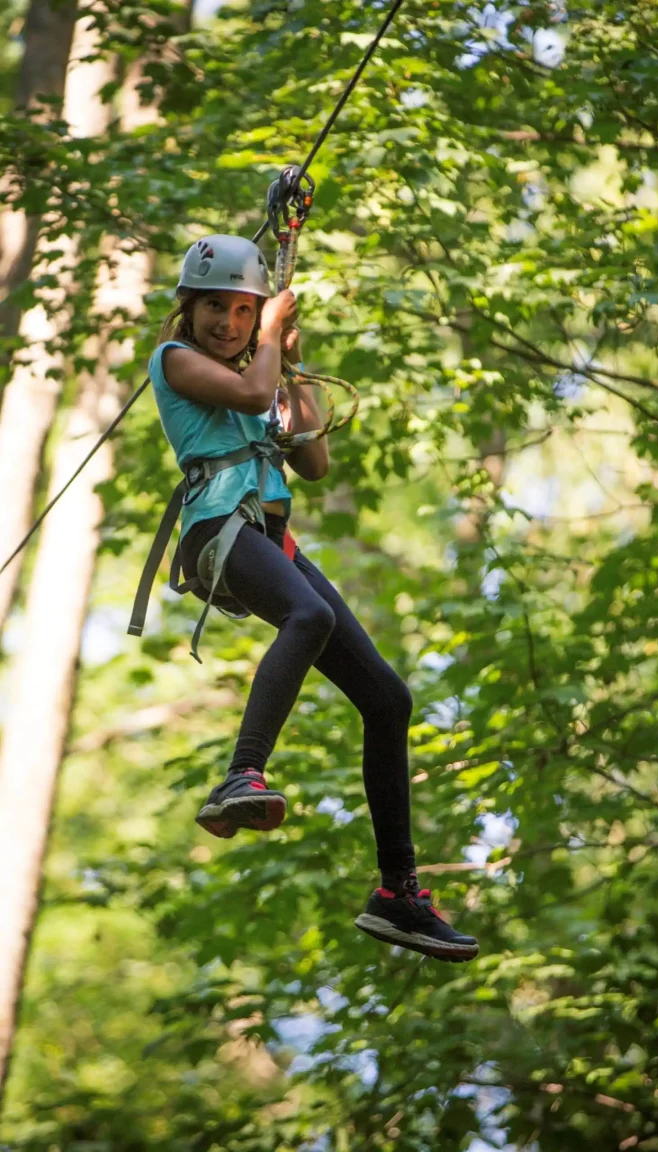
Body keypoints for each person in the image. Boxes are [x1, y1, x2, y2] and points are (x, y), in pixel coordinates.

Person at [148, 233, 478, 963]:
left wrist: (290, 352)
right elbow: (252, 392)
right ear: (188, 309)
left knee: (388, 699)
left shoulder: (259, 374)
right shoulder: (176, 362)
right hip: (216, 531)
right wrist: (269, 339)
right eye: (214, 308)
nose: (228, 323)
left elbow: (315, 460)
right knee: (312, 614)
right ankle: (244, 771)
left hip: (269, 538)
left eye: (243, 311)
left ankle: (399, 892)